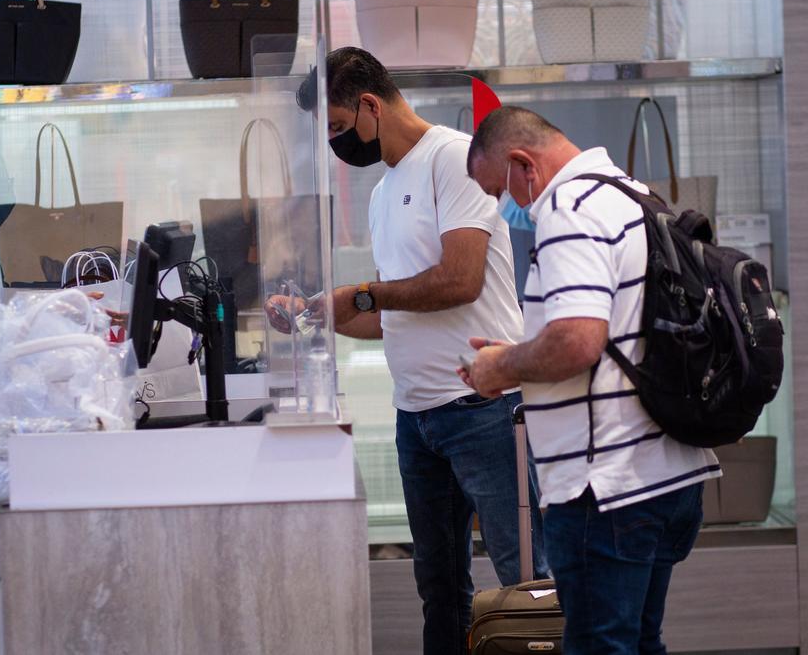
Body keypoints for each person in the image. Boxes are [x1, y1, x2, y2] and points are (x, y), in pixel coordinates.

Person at [268, 48, 547, 655]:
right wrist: (322, 316)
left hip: (484, 410)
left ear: (371, 105)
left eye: (340, 127)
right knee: (439, 590)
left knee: (526, 583)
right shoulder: (382, 192)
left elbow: (459, 280)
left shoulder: (452, 158)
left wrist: (362, 294)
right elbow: (395, 313)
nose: (338, 143)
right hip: (416, 419)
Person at [462, 106, 722, 655]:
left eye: (498, 190)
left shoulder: (568, 206)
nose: (507, 207)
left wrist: (499, 368)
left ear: (522, 164)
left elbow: (578, 340)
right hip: (670, 474)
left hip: (604, 489)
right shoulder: (634, 195)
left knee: (599, 646)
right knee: (639, 642)